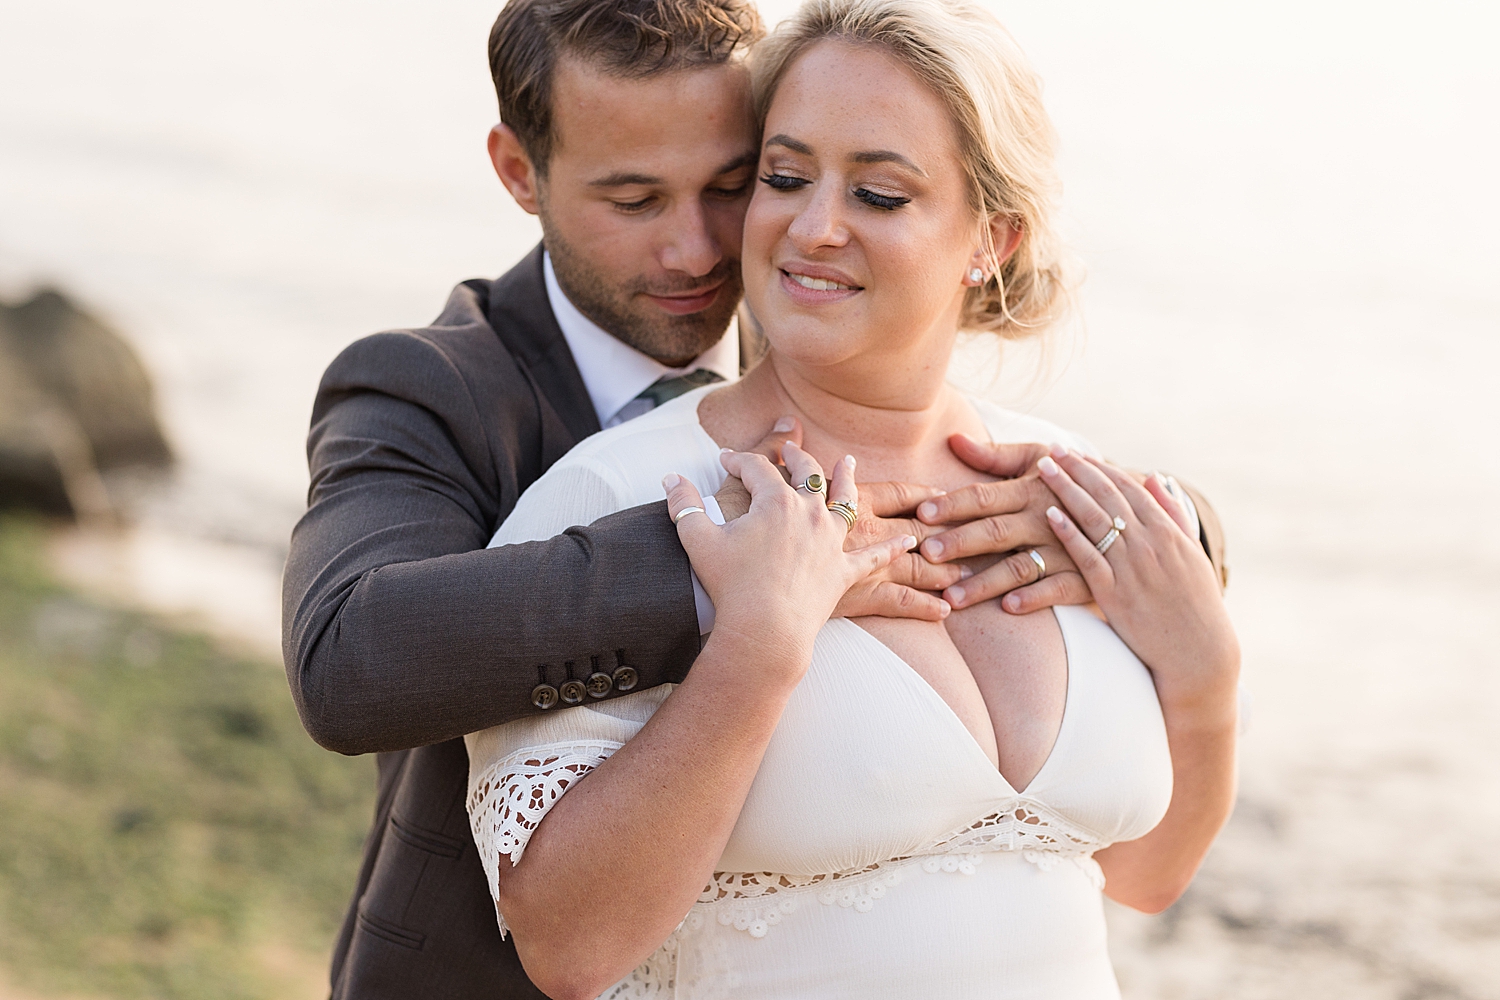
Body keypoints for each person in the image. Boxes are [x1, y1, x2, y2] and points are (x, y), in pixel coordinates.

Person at [281, 0, 1227, 996]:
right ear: (521, 173)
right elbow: (353, 654)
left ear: (992, 236)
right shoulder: (489, 420)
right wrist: (746, 593)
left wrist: (1187, 578)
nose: (701, 251)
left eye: (735, 184)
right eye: (635, 199)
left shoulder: (1038, 474)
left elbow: (1142, 866)